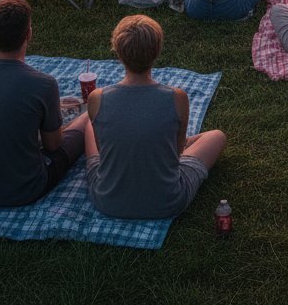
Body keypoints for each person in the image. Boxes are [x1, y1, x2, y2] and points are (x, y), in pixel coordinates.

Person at [83, 15, 226, 219]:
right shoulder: (177, 98)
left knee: (89, 124)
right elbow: (176, 153)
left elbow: (102, 150)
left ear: (118, 52)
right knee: (217, 136)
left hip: (108, 201)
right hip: (167, 201)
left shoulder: (97, 98)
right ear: (157, 51)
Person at [0, 0, 89, 206]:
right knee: (85, 121)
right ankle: (88, 115)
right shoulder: (43, 84)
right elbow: (53, 145)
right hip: (23, 189)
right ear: (29, 33)